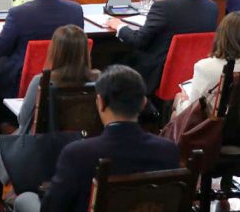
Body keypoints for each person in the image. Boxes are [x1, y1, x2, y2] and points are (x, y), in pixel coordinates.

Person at [14, 66, 180, 212]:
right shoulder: (169, 151)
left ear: (100, 102)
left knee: (25, 199)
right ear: (143, 103)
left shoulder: (77, 154)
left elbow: (52, 208)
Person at [0, 26, 99, 190]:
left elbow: (23, 120)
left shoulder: (40, 81)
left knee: (5, 145)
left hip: (42, 151)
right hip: (82, 147)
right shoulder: (98, 80)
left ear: (54, 51)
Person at [108, 0, 218, 94]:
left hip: (156, 74)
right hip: (192, 73)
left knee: (112, 60)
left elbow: (138, 41)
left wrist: (119, 26)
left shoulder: (164, 8)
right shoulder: (212, 7)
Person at [0, 0, 84, 107]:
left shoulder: (18, 13)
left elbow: (2, 49)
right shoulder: (75, 10)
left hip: (23, 78)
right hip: (67, 78)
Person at [174, 11, 240, 115]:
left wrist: (181, 100)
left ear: (222, 36)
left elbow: (190, 112)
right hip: (234, 120)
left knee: (177, 101)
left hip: (214, 122)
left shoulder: (205, 67)